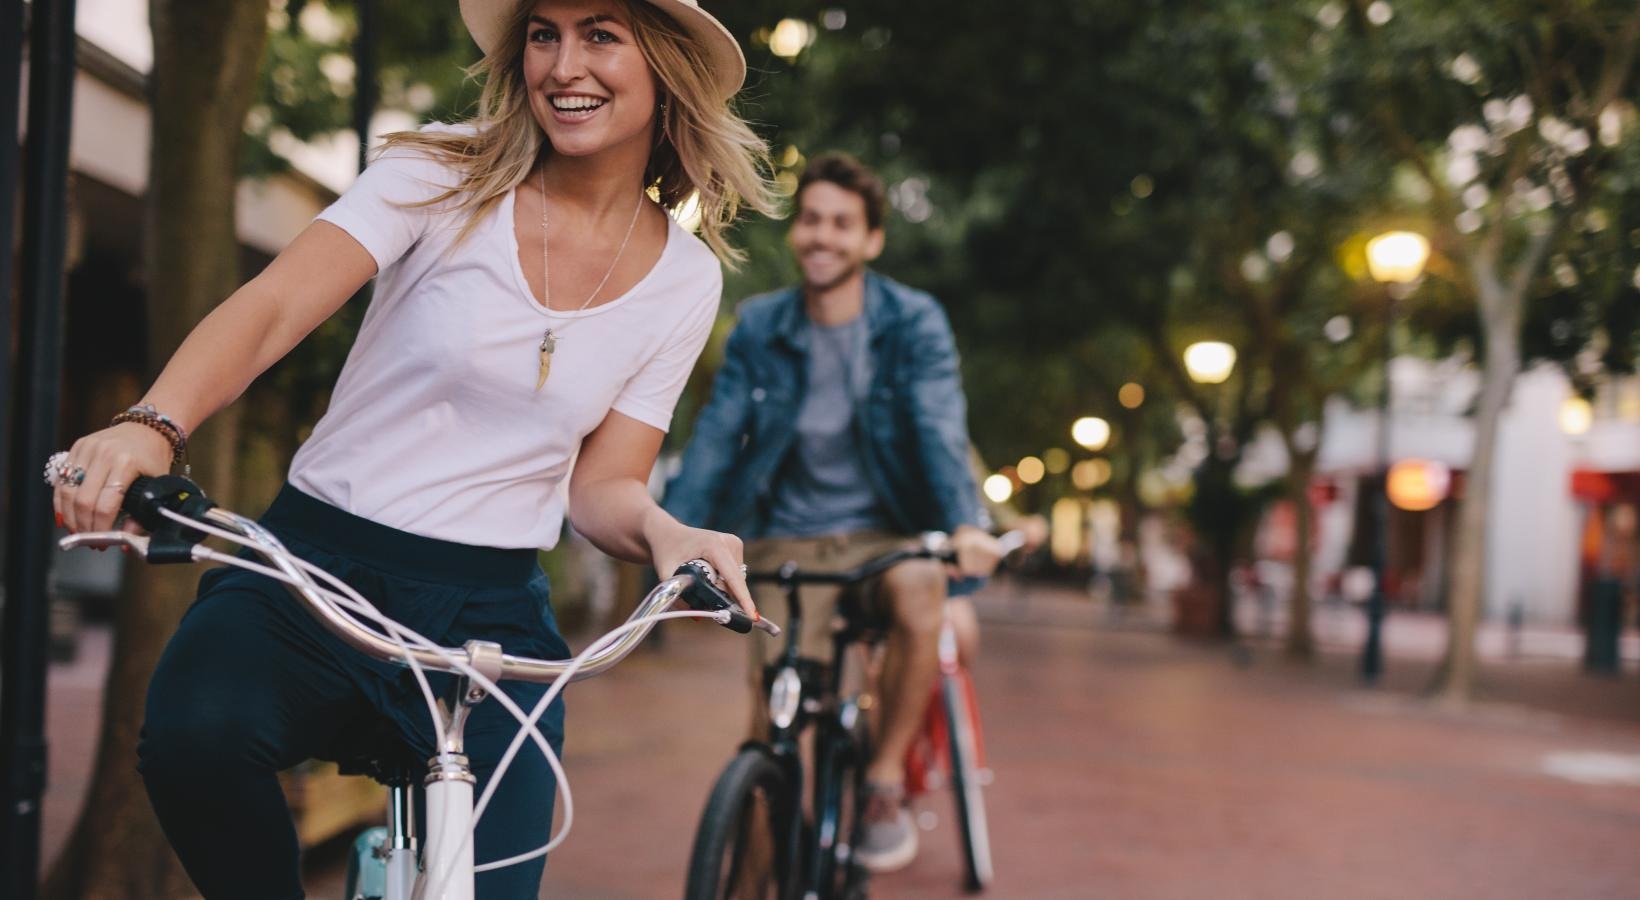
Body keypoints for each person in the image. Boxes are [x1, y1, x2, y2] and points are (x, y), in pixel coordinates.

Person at [46, 1, 775, 896]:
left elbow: (604, 485)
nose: (563, 64)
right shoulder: (442, 171)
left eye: (601, 35)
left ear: (666, 67)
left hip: (491, 617)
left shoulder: (685, 277)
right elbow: (275, 306)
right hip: (313, 568)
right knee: (195, 737)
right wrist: (152, 424)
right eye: (543, 33)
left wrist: (669, 535)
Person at [663, 152, 1003, 873]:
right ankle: (755, 881)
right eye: (812, 220)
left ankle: (881, 780)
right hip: (787, 542)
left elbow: (939, 426)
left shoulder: (911, 322)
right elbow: (719, 434)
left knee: (922, 590)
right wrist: (674, 534)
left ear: (871, 239)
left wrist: (965, 528)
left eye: (843, 224)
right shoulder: (761, 325)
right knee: (772, 730)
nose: (823, 236)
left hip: (885, 539)